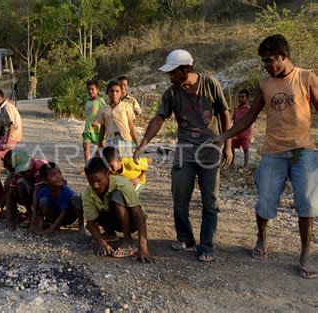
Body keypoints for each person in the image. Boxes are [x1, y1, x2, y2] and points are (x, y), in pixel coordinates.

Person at [216, 34, 318, 279]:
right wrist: (224, 136)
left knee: (307, 203)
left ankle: (305, 253)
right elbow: (250, 116)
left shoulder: (306, 77)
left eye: (270, 61)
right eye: (263, 62)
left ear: (284, 57)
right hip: (272, 152)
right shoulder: (265, 84)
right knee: (264, 201)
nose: (266, 66)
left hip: (303, 151)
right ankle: (262, 238)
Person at [134, 49, 233, 262]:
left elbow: (224, 113)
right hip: (185, 150)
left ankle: (207, 244)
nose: (170, 77)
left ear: (187, 69)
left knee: (210, 199)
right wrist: (143, 143)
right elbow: (159, 118)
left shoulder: (210, 84)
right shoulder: (171, 93)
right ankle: (185, 237)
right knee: (179, 195)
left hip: (209, 150)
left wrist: (227, 144)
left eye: (173, 72)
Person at [82, 157, 154, 263]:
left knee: (116, 196)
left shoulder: (122, 184)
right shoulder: (87, 192)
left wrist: (143, 248)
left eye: (99, 180)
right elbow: (91, 222)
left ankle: (128, 241)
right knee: (90, 208)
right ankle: (110, 234)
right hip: (112, 220)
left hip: (131, 223)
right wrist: (102, 243)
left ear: (108, 173)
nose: (95, 185)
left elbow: (138, 214)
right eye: (91, 182)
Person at [33, 162, 85, 238]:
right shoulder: (42, 192)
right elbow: (41, 212)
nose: (58, 177)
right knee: (43, 201)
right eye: (54, 175)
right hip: (54, 216)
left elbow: (64, 213)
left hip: (69, 217)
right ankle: (52, 223)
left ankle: (81, 225)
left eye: (59, 173)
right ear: (44, 180)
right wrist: (39, 227)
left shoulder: (65, 191)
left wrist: (50, 231)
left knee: (76, 199)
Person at [5, 149, 49, 231]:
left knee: (42, 194)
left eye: (26, 170)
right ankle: (30, 213)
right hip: (36, 189)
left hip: (48, 192)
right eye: (22, 171)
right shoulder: (20, 172)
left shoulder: (39, 167)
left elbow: (36, 193)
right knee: (20, 184)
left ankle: (39, 216)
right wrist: (9, 219)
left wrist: (33, 222)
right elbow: (9, 194)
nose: (26, 173)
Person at [98, 81, 140, 157]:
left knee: (125, 163)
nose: (114, 93)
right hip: (110, 140)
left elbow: (131, 126)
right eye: (111, 91)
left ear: (121, 93)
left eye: (117, 91)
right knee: (112, 163)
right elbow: (102, 128)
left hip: (125, 140)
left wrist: (137, 143)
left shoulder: (127, 107)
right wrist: (99, 143)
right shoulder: (103, 109)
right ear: (107, 93)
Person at [0, 89, 23, 174]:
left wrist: (7, 141)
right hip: (14, 134)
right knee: (9, 154)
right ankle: (13, 171)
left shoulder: (7, 107)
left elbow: (11, 124)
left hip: (13, 134)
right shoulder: (6, 106)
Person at [83, 80, 105, 162]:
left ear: (97, 90)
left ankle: (102, 165)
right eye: (88, 89)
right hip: (88, 129)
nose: (90, 91)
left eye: (92, 89)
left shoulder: (100, 101)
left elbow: (105, 113)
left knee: (101, 148)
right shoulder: (88, 102)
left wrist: (98, 121)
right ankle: (87, 166)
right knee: (85, 146)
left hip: (98, 130)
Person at [231, 89, 252, 168]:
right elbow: (234, 120)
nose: (240, 98)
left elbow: (251, 120)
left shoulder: (249, 109)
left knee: (245, 149)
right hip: (236, 132)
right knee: (232, 147)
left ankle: (246, 165)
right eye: (239, 97)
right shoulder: (237, 109)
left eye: (242, 97)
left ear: (247, 98)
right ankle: (231, 163)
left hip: (245, 133)